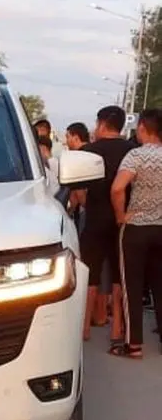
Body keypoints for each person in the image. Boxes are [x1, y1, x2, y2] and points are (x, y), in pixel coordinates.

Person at [78, 105, 135, 342]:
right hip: (123, 219)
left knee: (89, 272)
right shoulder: (132, 151)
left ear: (101, 123)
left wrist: (87, 206)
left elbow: (80, 191)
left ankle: (84, 328)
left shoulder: (88, 151)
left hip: (95, 218)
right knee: (119, 274)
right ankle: (117, 328)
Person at [110, 108, 162, 359]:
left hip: (137, 229)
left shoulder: (136, 155)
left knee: (132, 286)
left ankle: (134, 345)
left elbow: (118, 188)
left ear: (142, 127)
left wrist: (121, 216)